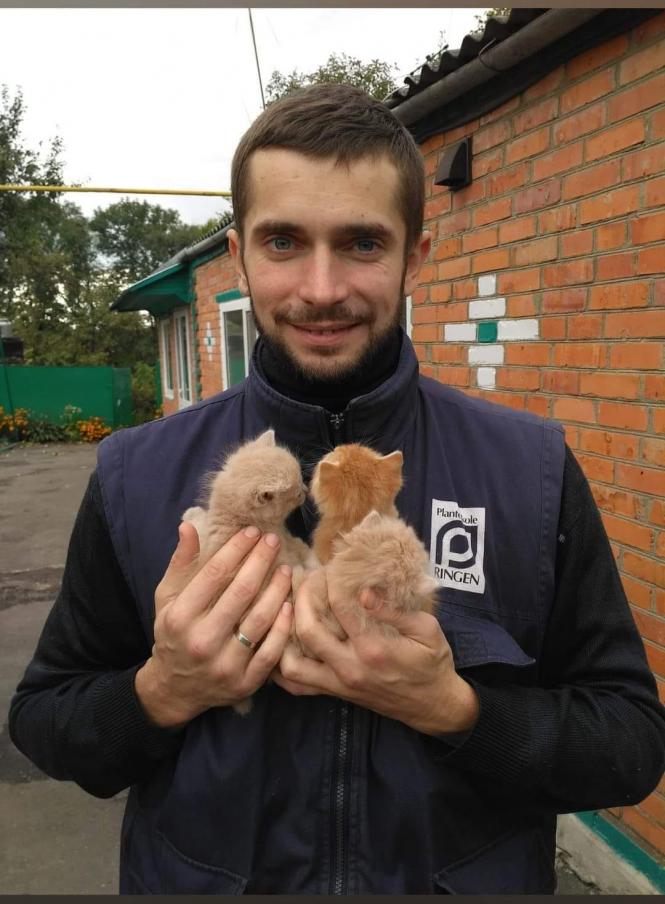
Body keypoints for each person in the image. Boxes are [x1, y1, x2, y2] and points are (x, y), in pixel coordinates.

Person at [9, 84, 665, 895]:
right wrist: (161, 691)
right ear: (240, 254)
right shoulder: (133, 473)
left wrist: (457, 711)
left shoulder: (527, 470)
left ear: (413, 255)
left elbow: (630, 745)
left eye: (361, 243)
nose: (320, 289)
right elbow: (44, 721)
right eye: (283, 242)